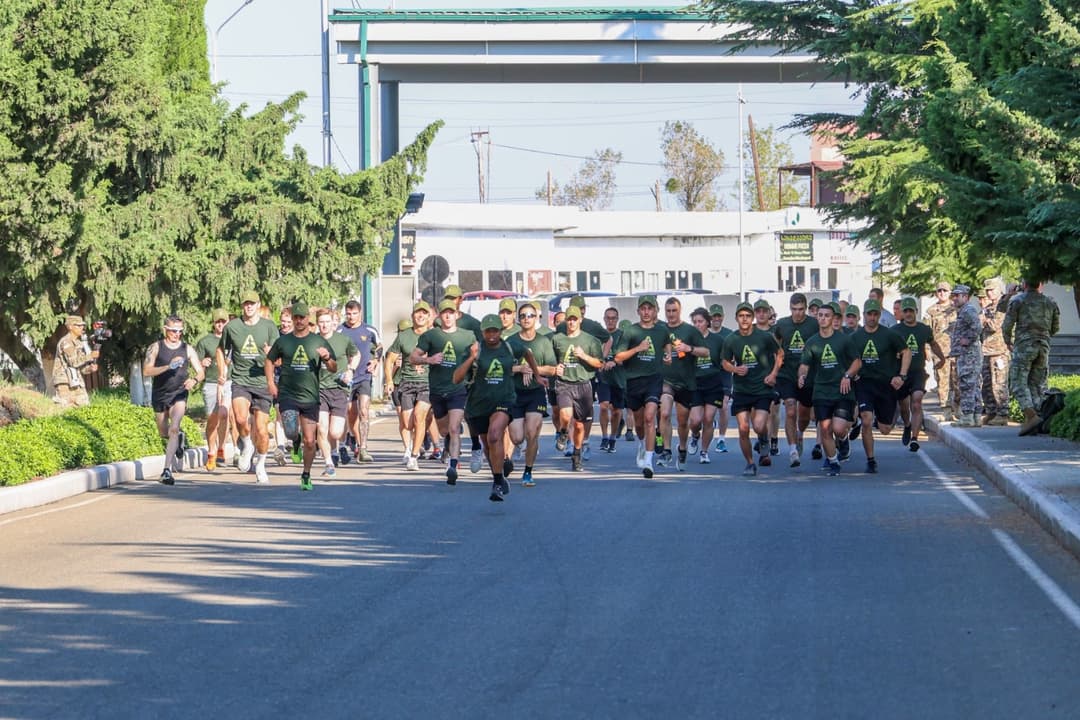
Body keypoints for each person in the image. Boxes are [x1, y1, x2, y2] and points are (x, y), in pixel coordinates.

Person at [265, 302, 337, 490]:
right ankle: (293, 440)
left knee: (310, 441)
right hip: (288, 393)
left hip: (310, 396)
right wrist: (271, 383)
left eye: (302, 317)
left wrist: (327, 358)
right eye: (295, 317)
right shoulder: (284, 341)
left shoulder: (318, 341)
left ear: (307, 319)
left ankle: (306, 474)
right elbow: (269, 360)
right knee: (289, 430)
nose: (298, 321)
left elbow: (334, 367)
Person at [454, 315, 524, 501]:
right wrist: (471, 358)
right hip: (478, 403)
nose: (492, 335)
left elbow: (528, 354)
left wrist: (537, 375)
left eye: (495, 330)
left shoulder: (510, 347)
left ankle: (496, 483)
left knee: (495, 435)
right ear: (482, 332)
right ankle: (498, 475)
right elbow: (456, 378)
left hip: (504, 399)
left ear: (501, 331)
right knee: (488, 445)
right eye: (488, 331)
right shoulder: (475, 348)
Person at [410, 299, 478, 484]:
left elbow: (477, 355)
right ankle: (447, 440)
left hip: (458, 389)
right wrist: (429, 360)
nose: (448, 316)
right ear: (439, 315)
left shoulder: (468, 335)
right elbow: (413, 357)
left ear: (457, 314)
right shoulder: (431, 336)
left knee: (455, 428)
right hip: (437, 390)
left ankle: (453, 466)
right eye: (444, 313)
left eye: (451, 312)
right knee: (443, 430)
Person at [217, 291, 280, 483]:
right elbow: (221, 349)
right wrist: (222, 371)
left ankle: (260, 464)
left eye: (252, 303)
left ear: (258, 304)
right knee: (240, 418)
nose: (249, 307)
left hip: (263, 382)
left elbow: (280, 359)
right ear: (242, 305)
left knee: (261, 430)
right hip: (240, 380)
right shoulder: (232, 327)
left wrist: (272, 355)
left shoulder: (269, 327)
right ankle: (246, 443)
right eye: (246, 304)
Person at [613, 295, 673, 479]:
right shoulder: (630, 331)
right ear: (638, 311)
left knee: (649, 418)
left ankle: (648, 460)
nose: (646, 312)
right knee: (639, 423)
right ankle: (641, 443)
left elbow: (667, 343)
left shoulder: (662, 330)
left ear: (655, 311)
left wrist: (668, 355)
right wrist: (637, 349)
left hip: (654, 380)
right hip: (633, 381)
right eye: (643, 308)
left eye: (650, 308)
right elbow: (618, 357)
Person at [720, 302, 783, 476]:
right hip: (741, 389)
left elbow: (780, 354)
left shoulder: (764, 337)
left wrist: (774, 374)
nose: (745, 319)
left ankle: (763, 439)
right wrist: (735, 369)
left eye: (748, 316)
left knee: (759, 424)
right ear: (736, 318)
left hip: (762, 388)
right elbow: (725, 361)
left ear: (752, 318)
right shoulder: (731, 339)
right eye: (741, 316)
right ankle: (749, 463)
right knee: (743, 428)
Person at [798, 302, 861, 475]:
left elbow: (857, 361)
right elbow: (804, 364)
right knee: (825, 428)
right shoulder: (812, 342)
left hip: (841, 390)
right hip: (821, 391)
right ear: (817, 318)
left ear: (833, 319)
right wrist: (802, 376)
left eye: (827, 315)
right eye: (821, 315)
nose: (823, 318)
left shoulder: (843, 340)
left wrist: (847, 375)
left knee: (839, 428)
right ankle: (833, 462)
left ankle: (843, 438)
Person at [849, 299, 911, 472]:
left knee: (885, 429)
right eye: (869, 314)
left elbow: (906, 352)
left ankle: (883, 416)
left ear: (879, 315)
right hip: (864, 384)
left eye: (875, 314)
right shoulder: (855, 337)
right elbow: (848, 357)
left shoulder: (889, 334)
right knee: (867, 420)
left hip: (886, 385)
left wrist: (902, 375)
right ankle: (871, 460)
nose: (872, 317)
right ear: (864, 315)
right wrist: (850, 375)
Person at [143, 315, 204, 485]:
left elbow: (200, 371)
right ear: (165, 330)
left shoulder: (187, 349)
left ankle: (166, 471)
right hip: (160, 394)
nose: (177, 334)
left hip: (179, 393)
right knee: (164, 431)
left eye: (180, 331)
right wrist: (168, 367)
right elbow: (146, 371)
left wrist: (195, 380)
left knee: (174, 428)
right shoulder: (155, 347)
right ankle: (179, 438)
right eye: (173, 331)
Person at [506, 300, 557, 486]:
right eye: (523, 316)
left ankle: (528, 472)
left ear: (537, 318)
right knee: (517, 437)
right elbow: (503, 368)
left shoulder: (543, 341)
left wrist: (534, 369)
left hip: (535, 393)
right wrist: (520, 368)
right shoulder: (511, 341)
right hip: (514, 393)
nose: (527, 319)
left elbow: (553, 369)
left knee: (532, 432)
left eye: (530, 316)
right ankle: (515, 450)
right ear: (518, 319)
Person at [551, 305, 607, 471]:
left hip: (583, 383)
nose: (572, 322)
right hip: (564, 383)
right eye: (569, 319)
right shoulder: (557, 339)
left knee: (580, 426)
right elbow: (550, 360)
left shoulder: (590, 340)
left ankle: (577, 453)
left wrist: (584, 356)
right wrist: (555, 368)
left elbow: (599, 363)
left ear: (580, 320)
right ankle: (562, 432)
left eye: (575, 319)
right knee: (566, 415)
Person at [1003, 279, 1061, 435]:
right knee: (1037, 385)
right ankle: (1039, 422)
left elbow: (1007, 324)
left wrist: (1008, 341)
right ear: (1040, 284)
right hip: (1043, 347)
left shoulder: (1018, 300)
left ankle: (1031, 416)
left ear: (1024, 284)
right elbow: (1055, 327)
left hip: (1024, 347)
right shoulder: (1050, 302)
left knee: (1018, 382)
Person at [657, 297, 708, 470]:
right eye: (668, 311)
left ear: (680, 311)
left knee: (682, 422)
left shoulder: (690, 330)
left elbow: (705, 351)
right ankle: (666, 450)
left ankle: (683, 448)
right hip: (666, 381)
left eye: (674, 311)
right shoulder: (660, 329)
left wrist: (689, 349)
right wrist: (662, 358)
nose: (671, 314)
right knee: (664, 413)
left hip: (686, 382)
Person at [385, 302, 436, 471]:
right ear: (412, 315)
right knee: (407, 423)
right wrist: (389, 381)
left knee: (419, 418)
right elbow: (389, 360)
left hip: (427, 383)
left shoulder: (435, 335)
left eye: (424, 313)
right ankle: (417, 444)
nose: (420, 316)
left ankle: (414, 457)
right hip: (406, 383)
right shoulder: (403, 336)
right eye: (417, 313)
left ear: (429, 317)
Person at [894, 297, 946, 452]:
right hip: (902, 373)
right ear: (902, 313)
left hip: (918, 372)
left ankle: (915, 438)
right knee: (904, 406)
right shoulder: (895, 331)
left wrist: (941, 358)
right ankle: (907, 425)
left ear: (916, 312)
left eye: (911, 311)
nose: (909, 314)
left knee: (916, 402)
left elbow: (933, 344)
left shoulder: (924, 329)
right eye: (906, 311)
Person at [773, 292, 817, 468]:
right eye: (794, 309)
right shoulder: (782, 324)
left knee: (804, 415)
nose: (797, 313)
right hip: (787, 374)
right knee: (790, 409)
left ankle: (800, 434)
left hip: (808, 375)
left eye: (800, 310)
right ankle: (792, 450)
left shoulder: (813, 324)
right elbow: (774, 344)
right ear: (790, 308)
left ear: (805, 309)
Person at [315, 308, 360, 477]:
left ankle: (336, 447)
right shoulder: (312, 340)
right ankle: (328, 463)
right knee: (322, 427)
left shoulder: (343, 340)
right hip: (319, 389)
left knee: (335, 432)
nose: (324, 325)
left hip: (339, 388)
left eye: (327, 321)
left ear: (333, 322)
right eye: (321, 322)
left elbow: (356, 355)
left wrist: (350, 370)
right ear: (318, 323)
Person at [336, 300, 381, 464]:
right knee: (349, 413)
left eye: (354, 313)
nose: (351, 317)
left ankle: (363, 449)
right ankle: (349, 442)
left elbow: (380, 346)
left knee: (364, 411)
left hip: (364, 375)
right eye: (348, 313)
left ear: (360, 313)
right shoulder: (340, 330)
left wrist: (376, 360)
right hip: (347, 377)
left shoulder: (369, 330)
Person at [687, 307, 728, 464]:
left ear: (707, 322)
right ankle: (695, 435)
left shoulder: (717, 340)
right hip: (695, 383)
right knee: (696, 421)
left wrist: (727, 384)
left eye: (701, 321)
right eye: (695, 322)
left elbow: (724, 362)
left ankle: (704, 452)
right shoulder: (688, 341)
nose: (697, 324)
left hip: (713, 382)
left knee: (708, 418)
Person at [196, 309, 231, 471]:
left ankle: (221, 448)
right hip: (211, 382)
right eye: (218, 322)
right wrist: (202, 362)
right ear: (213, 323)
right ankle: (211, 452)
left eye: (223, 322)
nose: (221, 325)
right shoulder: (205, 342)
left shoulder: (233, 340)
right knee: (213, 419)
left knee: (224, 415)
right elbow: (196, 363)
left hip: (229, 382)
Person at [948, 285, 984, 427]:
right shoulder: (964, 311)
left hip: (969, 354)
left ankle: (968, 417)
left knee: (967, 383)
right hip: (967, 353)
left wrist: (968, 339)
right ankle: (976, 417)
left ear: (966, 297)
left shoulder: (968, 310)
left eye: (958, 295)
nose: (955, 298)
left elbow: (977, 327)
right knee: (973, 385)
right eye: (954, 296)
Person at [924, 281, 957, 421]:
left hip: (956, 351)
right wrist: (926, 350)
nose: (942, 293)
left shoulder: (957, 308)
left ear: (950, 292)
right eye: (939, 291)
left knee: (958, 381)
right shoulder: (931, 311)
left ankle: (958, 408)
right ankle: (946, 409)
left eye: (945, 291)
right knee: (943, 381)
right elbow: (926, 332)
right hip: (940, 352)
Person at [753, 299, 782, 457]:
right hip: (754, 377)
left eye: (765, 311)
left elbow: (780, 353)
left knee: (772, 410)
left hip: (773, 375)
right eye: (758, 311)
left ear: (770, 313)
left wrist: (775, 373)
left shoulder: (776, 331)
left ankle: (773, 439)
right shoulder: (749, 330)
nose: (762, 314)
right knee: (756, 412)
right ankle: (762, 436)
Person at [979, 280, 1010, 426]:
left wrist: (984, 320)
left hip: (999, 351)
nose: (989, 292)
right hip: (987, 350)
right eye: (987, 290)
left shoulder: (1002, 307)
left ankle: (1002, 413)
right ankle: (991, 412)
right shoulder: (988, 307)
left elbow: (995, 326)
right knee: (986, 384)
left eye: (992, 290)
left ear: (999, 290)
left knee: (999, 383)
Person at [596, 306, 626, 455]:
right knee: (603, 406)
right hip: (603, 378)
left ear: (617, 319)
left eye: (613, 318)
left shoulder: (622, 335)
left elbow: (626, 355)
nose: (610, 321)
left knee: (616, 411)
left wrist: (614, 361)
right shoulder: (599, 335)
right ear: (604, 319)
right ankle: (604, 436)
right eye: (608, 318)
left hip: (619, 378)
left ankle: (613, 438)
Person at [52, 316, 99, 408]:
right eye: (78, 325)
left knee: (84, 410)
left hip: (75, 381)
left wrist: (90, 368)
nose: (82, 328)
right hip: (64, 383)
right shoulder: (66, 342)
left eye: (83, 326)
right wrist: (90, 356)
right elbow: (73, 362)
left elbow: (81, 368)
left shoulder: (78, 343)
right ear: (70, 327)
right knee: (65, 413)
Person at [706, 304, 734, 455]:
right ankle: (709, 425)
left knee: (723, 406)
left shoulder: (729, 334)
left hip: (724, 374)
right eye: (714, 316)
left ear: (723, 317)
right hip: (707, 374)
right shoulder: (703, 333)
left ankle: (721, 439)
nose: (716, 319)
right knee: (706, 413)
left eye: (719, 316)